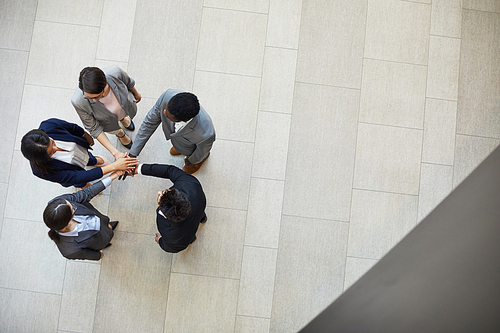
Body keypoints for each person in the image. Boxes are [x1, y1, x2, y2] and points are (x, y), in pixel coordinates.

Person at [21, 118, 138, 188]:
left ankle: (95, 161)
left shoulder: (49, 125)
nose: (56, 149)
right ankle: (85, 186)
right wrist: (114, 166)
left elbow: (72, 127)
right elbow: (76, 177)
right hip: (72, 174)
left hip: (80, 152)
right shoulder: (41, 171)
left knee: (89, 159)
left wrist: (85, 135)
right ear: (42, 159)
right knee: (82, 182)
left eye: (53, 143)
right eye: (51, 153)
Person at [129, 89, 215, 174]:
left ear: (184, 120)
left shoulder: (206, 134)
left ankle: (195, 163)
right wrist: (133, 154)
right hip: (181, 140)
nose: (164, 113)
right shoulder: (168, 96)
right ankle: (180, 147)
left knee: (199, 155)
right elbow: (148, 124)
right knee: (179, 144)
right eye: (166, 108)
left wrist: (192, 161)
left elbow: (201, 152)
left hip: (192, 148)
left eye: (168, 115)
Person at [43, 171, 124, 260]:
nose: (73, 204)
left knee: (106, 225)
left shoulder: (59, 202)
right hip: (100, 241)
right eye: (72, 208)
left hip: (100, 220)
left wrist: (113, 176)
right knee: (106, 236)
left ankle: (108, 227)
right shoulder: (69, 250)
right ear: (69, 223)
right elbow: (88, 254)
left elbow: (86, 193)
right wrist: (98, 256)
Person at [131, 163, 207, 253]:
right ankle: (203, 218)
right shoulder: (190, 183)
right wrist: (139, 169)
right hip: (199, 205)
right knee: (199, 215)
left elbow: (171, 247)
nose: (159, 192)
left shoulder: (172, 235)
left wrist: (160, 240)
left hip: (185, 236)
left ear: (166, 217)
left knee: (189, 237)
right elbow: (169, 170)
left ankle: (192, 238)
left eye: (159, 197)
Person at [71, 65, 141, 159]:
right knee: (115, 128)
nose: (95, 100)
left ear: (105, 84)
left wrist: (136, 93)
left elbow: (129, 83)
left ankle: (123, 119)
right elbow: (94, 128)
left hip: (123, 108)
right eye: (90, 97)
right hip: (107, 121)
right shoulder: (78, 101)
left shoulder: (115, 72)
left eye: (99, 96)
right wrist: (115, 153)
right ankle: (120, 134)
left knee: (121, 114)